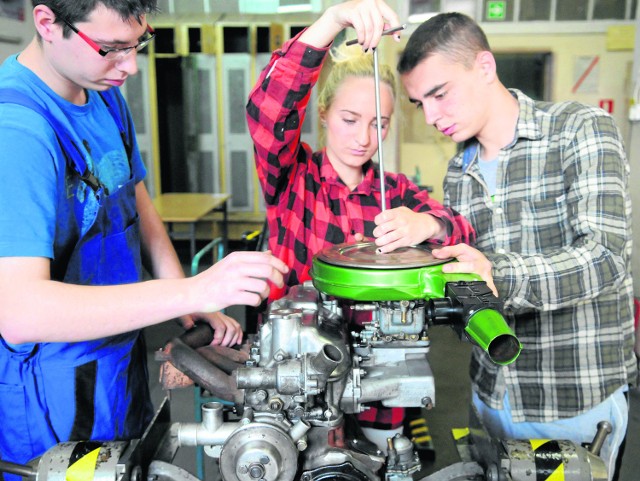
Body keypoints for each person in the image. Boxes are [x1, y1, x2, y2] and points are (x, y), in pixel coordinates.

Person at [0, 0, 288, 471]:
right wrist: (196, 287)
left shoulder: (103, 93)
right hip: (52, 398)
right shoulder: (17, 133)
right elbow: (19, 311)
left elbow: (137, 206)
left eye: (139, 43)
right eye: (111, 49)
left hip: (116, 362)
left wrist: (186, 300)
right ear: (47, 23)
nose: (130, 66)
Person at [397, 12, 636, 480]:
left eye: (439, 94)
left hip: (571, 400)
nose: (430, 117)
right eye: (419, 103)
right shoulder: (457, 171)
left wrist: (495, 274)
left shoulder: (579, 129)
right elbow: (471, 288)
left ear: (484, 67)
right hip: (489, 398)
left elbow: (605, 258)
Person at [246, 0, 475, 451]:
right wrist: (330, 22)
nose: (364, 137)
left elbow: (461, 231)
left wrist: (425, 222)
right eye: (350, 120)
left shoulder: (398, 193)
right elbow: (267, 112)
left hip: (382, 380)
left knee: (385, 463)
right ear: (325, 114)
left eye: (379, 123)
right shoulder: (292, 179)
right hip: (298, 378)